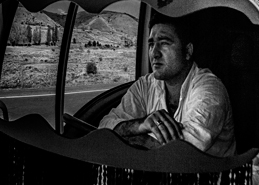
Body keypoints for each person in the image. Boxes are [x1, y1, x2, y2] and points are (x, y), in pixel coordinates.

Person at [98, 13, 236, 157]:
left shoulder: (210, 89)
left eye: (164, 43)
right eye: (151, 44)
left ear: (188, 51)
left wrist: (129, 137)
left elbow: (183, 150)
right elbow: (104, 126)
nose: (154, 53)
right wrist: (141, 125)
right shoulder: (145, 86)